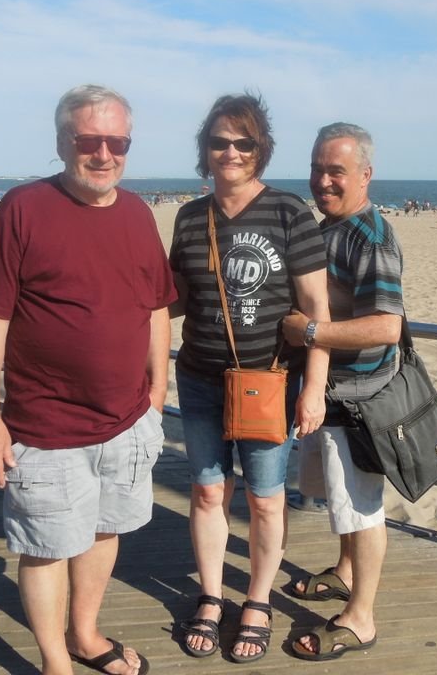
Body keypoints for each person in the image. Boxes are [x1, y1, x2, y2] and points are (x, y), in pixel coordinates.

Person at [0, 84, 176, 675]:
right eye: (90, 140)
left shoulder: (137, 213)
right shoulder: (23, 209)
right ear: (63, 142)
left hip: (128, 420)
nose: (104, 153)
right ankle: (55, 660)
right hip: (46, 425)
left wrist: (157, 395)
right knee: (45, 547)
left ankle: (85, 634)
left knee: (106, 531)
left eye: (117, 142)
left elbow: (156, 307)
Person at [168, 92, 330, 663]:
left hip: (270, 382)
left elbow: (317, 311)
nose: (231, 152)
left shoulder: (289, 213)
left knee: (265, 501)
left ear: (261, 149)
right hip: (199, 378)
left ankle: (257, 601)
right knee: (209, 491)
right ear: (204, 151)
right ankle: (212, 598)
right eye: (220, 142)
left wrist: (313, 387)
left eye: (244, 143)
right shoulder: (191, 218)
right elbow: (175, 300)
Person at [281, 122, 404, 661]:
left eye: (337, 171)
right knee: (340, 496)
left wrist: (308, 332)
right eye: (317, 168)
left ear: (365, 175)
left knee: (362, 505)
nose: (324, 181)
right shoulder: (328, 225)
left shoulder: (369, 235)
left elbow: (386, 326)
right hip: (330, 388)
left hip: (360, 395)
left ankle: (361, 617)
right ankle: (345, 570)